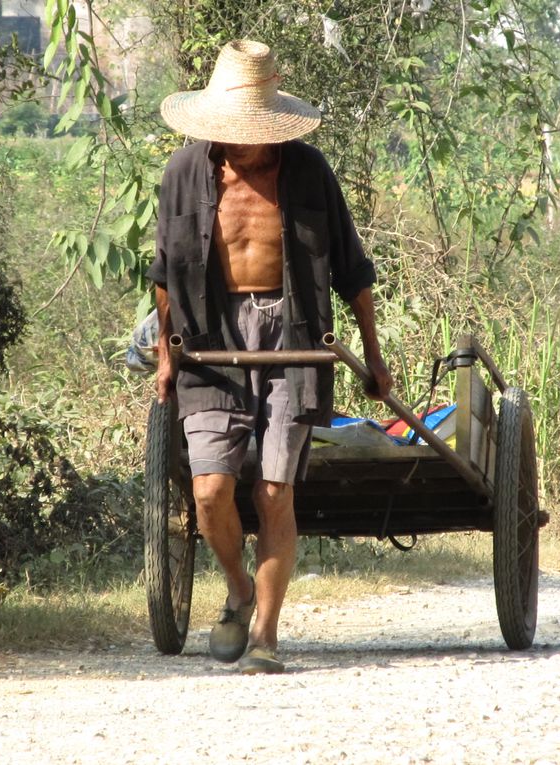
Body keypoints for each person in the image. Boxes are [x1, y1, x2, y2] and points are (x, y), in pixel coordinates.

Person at [148, 39, 392, 675]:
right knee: (209, 493)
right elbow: (164, 272)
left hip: (295, 334)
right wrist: (164, 355)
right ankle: (236, 585)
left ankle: (265, 635)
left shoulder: (307, 171)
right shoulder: (182, 174)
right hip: (208, 336)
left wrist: (372, 353)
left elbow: (353, 268)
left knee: (275, 489)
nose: (244, 142)